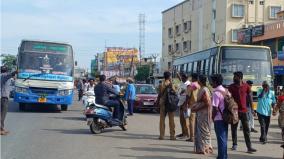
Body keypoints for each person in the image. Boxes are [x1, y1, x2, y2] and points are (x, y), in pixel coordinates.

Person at [228, 71, 256, 153]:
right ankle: (234, 144)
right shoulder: (231, 87)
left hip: (244, 111)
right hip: (235, 111)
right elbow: (228, 98)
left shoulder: (246, 86)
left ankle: (249, 147)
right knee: (234, 129)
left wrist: (253, 109)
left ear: (240, 78)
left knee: (247, 129)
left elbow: (250, 98)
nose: (233, 78)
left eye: (235, 77)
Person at [191, 75, 213, 155]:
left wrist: (197, 107)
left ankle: (205, 149)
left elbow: (207, 103)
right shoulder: (203, 89)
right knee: (201, 131)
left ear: (200, 81)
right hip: (201, 114)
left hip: (204, 114)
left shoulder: (204, 89)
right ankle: (202, 148)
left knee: (204, 131)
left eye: (198, 80)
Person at [211, 74, 228, 159]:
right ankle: (224, 156)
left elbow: (215, 108)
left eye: (212, 81)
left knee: (220, 139)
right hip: (226, 117)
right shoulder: (226, 91)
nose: (211, 83)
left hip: (219, 118)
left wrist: (212, 118)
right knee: (224, 139)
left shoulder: (216, 93)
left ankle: (222, 157)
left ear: (215, 82)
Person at [156, 71, 176, 140]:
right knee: (171, 120)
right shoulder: (171, 84)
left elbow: (159, 94)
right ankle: (172, 136)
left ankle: (162, 135)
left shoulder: (161, 84)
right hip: (170, 103)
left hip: (163, 103)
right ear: (169, 76)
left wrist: (157, 102)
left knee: (162, 120)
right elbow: (175, 92)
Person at [1, 66, 17, 135]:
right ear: (6, 71)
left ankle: (2, 128)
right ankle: (1, 129)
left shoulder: (2, 76)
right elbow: (10, 74)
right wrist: (16, 71)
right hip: (3, 97)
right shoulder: (4, 76)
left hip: (2, 97)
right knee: (2, 114)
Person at [176, 72, 191, 139]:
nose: (181, 78)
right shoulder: (183, 82)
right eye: (181, 77)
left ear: (186, 78)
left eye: (183, 77)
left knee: (185, 120)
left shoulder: (188, 84)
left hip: (185, 105)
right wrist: (178, 74)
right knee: (181, 120)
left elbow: (188, 96)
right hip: (180, 103)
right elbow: (180, 79)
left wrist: (186, 104)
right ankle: (183, 133)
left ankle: (187, 134)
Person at [185, 73, 199, 142]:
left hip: (192, 105)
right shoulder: (199, 85)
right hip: (199, 105)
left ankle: (192, 137)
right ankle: (197, 136)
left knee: (191, 121)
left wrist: (185, 104)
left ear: (193, 78)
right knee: (198, 122)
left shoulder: (191, 85)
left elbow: (188, 96)